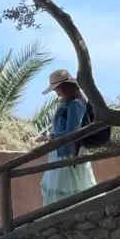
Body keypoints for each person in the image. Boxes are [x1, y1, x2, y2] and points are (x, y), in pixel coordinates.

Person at [38, 69, 97, 205]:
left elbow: (73, 131)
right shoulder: (68, 103)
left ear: (64, 87)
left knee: (65, 189)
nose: (56, 92)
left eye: (57, 88)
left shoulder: (75, 104)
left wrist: (50, 137)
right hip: (62, 151)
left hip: (68, 153)